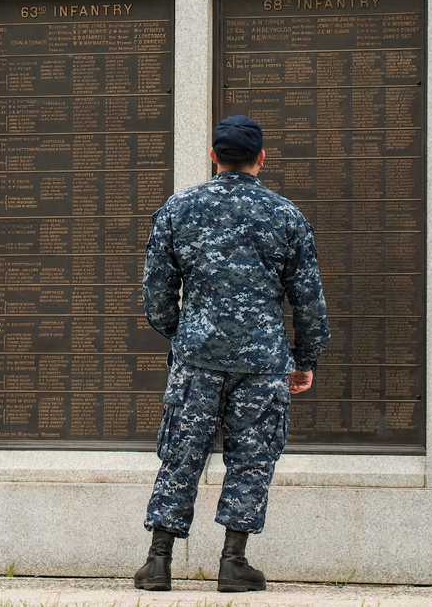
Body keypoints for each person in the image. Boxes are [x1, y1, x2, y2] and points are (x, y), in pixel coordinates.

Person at [133, 114, 330, 593]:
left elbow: (157, 294)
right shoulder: (286, 216)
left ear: (214, 156)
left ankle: (158, 562)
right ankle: (233, 562)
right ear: (261, 157)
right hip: (262, 361)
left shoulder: (178, 209)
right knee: (251, 458)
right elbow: (308, 299)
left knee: (181, 454)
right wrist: (306, 360)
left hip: (197, 359)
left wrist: (183, 334)